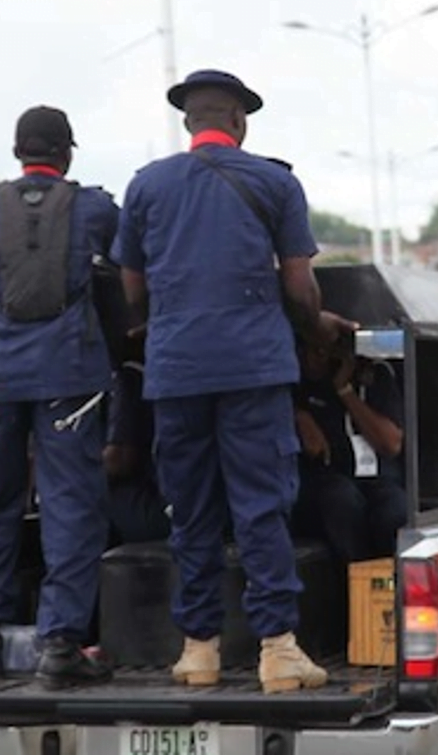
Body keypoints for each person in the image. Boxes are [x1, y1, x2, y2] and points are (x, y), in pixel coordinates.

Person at [113, 69, 353, 694]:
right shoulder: (275, 182)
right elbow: (300, 287)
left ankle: (198, 651)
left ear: (189, 123)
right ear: (240, 123)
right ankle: (278, 650)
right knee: (260, 507)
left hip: (175, 371)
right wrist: (317, 330)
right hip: (253, 368)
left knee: (189, 510)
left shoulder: (146, 186)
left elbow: (131, 288)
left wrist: (159, 328)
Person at [0, 105, 117, 689]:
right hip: (69, 376)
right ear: (67, 154)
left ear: (18, 152)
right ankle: (60, 643)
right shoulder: (94, 207)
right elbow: (133, 271)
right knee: (70, 507)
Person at [292, 339, 406, 563]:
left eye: (324, 350)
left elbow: (390, 444)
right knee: (341, 501)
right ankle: (357, 586)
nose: (317, 357)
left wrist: (345, 390)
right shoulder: (295, 382)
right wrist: (299, 416)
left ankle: (391, 587)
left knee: (396, 512)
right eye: (312, 349)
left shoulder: (374, 375)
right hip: (326, 479)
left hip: (375, 480)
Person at [104, 340, 170, 546]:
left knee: (75, 490)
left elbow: (120, 459)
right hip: (189, 506)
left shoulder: (129, 377)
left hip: (151, 509)